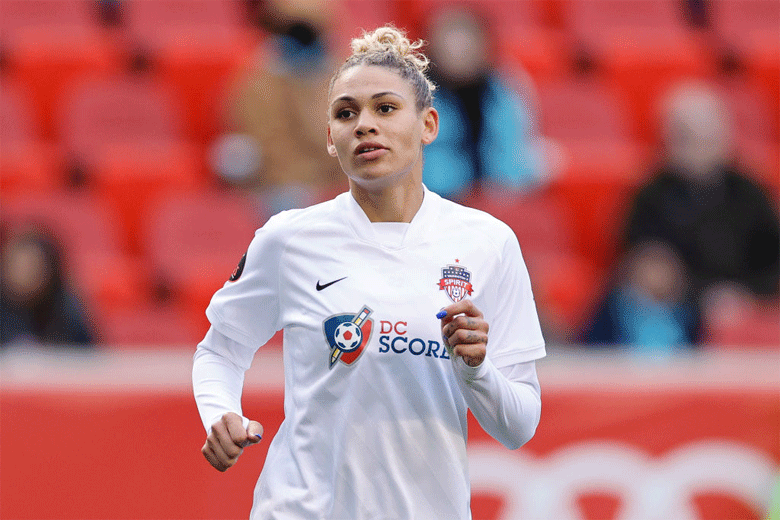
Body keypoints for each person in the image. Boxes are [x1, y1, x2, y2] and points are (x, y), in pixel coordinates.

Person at [192, 26, 546, 519]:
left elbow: (520, 426)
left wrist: (476, 371)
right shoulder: (289, 239)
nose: (363, 124)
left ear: (428, 125)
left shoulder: (487, 243)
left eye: (384, 108)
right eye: (345, 113)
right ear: (331, 140)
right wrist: (220, 412)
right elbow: (220, 350)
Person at [213, 0, 345, 215]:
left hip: (330, 181)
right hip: (278, 186)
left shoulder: (340, 76)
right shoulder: (256, 81)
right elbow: (267, 145)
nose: (302, 41)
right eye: (294, 32)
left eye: (310, 33)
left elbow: (337, 140)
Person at [421, 7, 546, 201]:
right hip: (434, 200)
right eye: (451, 41)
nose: (458, 50)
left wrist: (497, 186)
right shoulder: (416, 93)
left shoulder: (503, 86)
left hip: (498, 197)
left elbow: (515, 150)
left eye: (466, 41)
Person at [0, 226, 95, 346]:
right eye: (16, 265)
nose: (22, 273)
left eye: (31, 267)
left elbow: (88, 356)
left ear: (49, 272)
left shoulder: (66, 310)